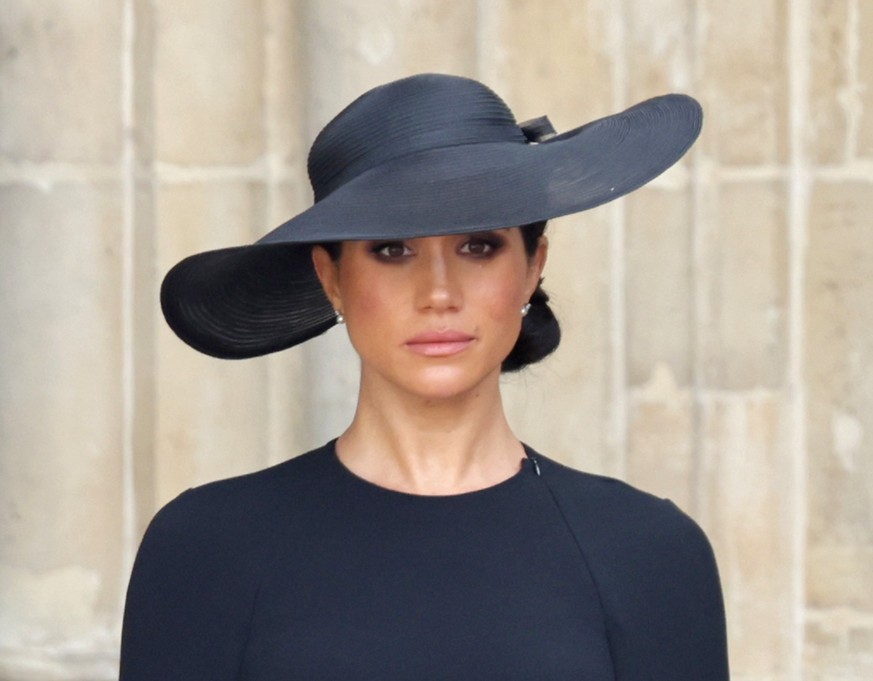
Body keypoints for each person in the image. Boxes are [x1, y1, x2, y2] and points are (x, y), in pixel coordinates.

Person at [120, 73, 729, 680]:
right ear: (331, 278)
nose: (438, 292)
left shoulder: (648, 552)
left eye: (478, 246)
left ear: (532, 268)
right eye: (392, 249)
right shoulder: (206, 549)